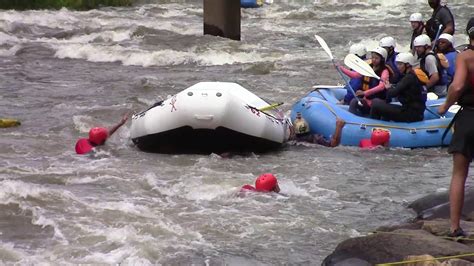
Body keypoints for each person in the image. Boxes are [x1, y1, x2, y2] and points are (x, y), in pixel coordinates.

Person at [437, 18, 474, 238]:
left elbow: (458, 85)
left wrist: (445, 105)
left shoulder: (465, 57)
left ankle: (454, 227)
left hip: (469, 117)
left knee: (459, 173)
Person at [370, 53, 427, 122]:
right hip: (417, 113)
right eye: (397, 64)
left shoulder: (408, 78)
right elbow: (404, 89)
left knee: (375, 105)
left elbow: (391, 94)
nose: (397, 67)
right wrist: (393, 87)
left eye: (400, 64)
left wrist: (388, 87)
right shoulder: (414, 75)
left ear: (407, 65)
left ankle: (373, 127)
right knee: (383, 105)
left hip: (409, 114)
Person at [338, 47, 391, 116]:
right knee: (354, 101)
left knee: (357, 102)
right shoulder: (368, 68)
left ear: (382, 59)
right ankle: (351, 118)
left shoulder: (384, 71)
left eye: (376, 58)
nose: (374, 60)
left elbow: (381, 87)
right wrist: (341, 68)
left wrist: (364, 93)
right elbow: (355, 75)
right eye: (373, 57)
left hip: (378, 101)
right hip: (367, 100)